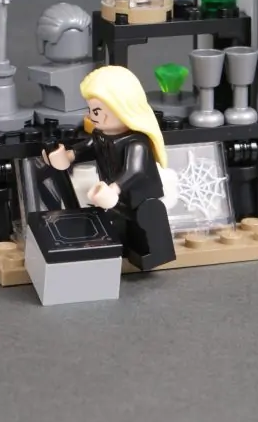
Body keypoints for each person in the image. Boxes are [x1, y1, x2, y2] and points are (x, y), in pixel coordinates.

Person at [44, 65, 176, 272]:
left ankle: (151, 255)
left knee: (146, 226)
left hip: (141, 198)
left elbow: (135, 170)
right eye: (90, 110)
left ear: (122, 108)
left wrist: (114, 188)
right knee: (119, 222)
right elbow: (87, 148)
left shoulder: (136, 143)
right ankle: (122, 249)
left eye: (97, 111)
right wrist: (68, 156)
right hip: (115, 196)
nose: (91, 115)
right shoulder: (100, 135)